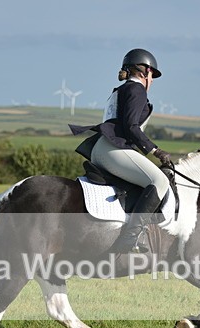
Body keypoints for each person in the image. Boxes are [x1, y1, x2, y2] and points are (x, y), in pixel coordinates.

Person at [70, 48, 172, 253]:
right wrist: (155, 151)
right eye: (152, 75)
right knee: (160, 181)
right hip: (113, 150)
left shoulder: (120, 90)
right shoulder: (136, 90)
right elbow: (131, 127)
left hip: (102, 149)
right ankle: (131, 238)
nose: (152, 81)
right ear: (145, 71)